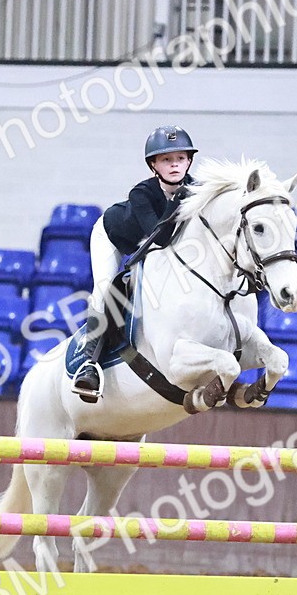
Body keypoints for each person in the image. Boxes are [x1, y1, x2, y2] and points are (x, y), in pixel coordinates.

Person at [71, 126, 198, 402]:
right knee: (106, 290)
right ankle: (88, 362)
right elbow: (161, 238)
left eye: (180, 158)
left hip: (150, 246)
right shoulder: (142, 193)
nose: (175, 164)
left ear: (189, 161)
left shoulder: (197, 190)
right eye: (166, 159)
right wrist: (178, 199)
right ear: (153, 164)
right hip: (114, 237)